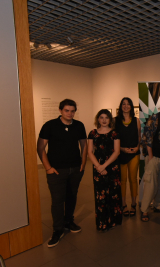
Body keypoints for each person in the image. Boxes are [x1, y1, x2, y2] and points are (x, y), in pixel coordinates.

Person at [37, 99, 87, 248]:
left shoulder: (79, 126)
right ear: (60, 111)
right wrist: (48, 168)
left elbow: (84, 145)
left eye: (72, 111)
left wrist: (83, 163)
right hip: (56, 171)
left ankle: (69, 221)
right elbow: (40, 148)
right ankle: (57, 230)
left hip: (75, 169)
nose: (70, 113)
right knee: (57, 201)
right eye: (67, 110)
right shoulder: (50, 126)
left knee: (72, 196)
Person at [88, 109, 122, 232]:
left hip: (112, 167)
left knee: (113, 194)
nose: (104, 120)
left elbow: (116, 152)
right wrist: (98, 166)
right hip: (98, 167)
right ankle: (102, 222)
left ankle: (113, 220)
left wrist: (104, 166)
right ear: (98, 119)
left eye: (106, 117)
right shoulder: (92, 133)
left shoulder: (115, 133)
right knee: (100, 195)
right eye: (101, 117)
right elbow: (89, 152)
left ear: (110, 119)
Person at [140, 97, 160, 221]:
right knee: (150, 185)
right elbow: (147, 137)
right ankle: (144, 210)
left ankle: (158, 205)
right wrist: (151, 156)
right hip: (153, 156)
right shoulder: (154, 118)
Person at [114, 97, 141, 217]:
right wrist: (121, 149)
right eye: (123, 104)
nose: (126, 106)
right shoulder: (115, 121)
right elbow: (113, 138)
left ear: (131, 106)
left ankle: (134, 204)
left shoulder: (137, 121)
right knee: (122, 180)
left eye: (128, 104)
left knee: (133, 179)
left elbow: (139, 136)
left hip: (134, 153)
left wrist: (137, 147)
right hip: (120, 154)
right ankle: (124, 204)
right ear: (121, 106)